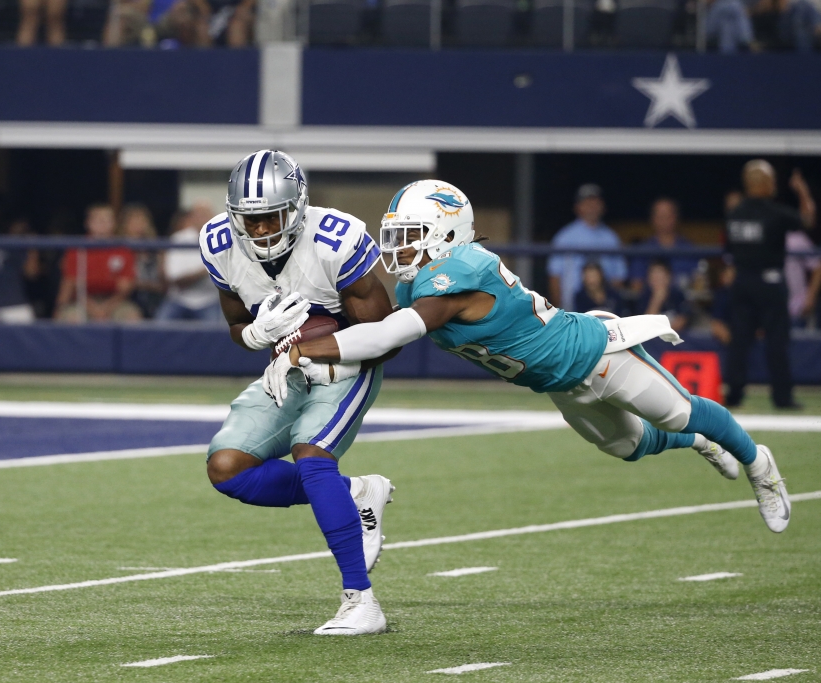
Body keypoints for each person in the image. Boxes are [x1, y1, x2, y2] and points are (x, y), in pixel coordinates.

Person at [267, 179, 791, 538]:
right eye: (396, 238)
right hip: (559, 385)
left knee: (681, 410)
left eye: (409, 238)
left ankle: (758, 464)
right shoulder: (416, 287)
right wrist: (319, 359)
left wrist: (305, 348)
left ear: (446, 234)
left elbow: (389, 334)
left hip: (596, 356)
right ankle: (698, 444)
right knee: (630, 446)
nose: (398, 250)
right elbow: (387, 338)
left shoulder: (461, 270)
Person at [201, 150, 398, 636]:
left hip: (347, 365)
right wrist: (254, 336)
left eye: (271, 218)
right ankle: (354, 493)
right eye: (251, 220)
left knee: (311, 457)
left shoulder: (334, 241)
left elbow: (386, 339)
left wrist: (321, 353)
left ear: (297, 207)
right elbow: (235, 323)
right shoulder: (220, 244)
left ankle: (361, 601)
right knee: (227, 470)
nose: (262, 231)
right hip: (285, 370)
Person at [724, 161, 816, 409]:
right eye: (772, 180)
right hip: (770, 282)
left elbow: (729, 250)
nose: (774, 185)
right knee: (776, 341)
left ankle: (733, 395)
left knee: (740, 342)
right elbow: (807, 219)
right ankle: (782, 398)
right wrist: (802, 190)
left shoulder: (735, 213)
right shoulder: (775, 212)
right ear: (764, 184)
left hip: (742, 281)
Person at [55, 204, 142, 323]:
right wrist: (93, 310)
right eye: (98, 220)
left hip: (114, 302)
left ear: (114, 223)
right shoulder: (77, 249)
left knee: (132, 317)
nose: (102, 224)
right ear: (88, 223)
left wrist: (105, 309)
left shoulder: (123, 250)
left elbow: (125, 288)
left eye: (107, 220)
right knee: (71, 318)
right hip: (82, 302)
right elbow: (71, 284)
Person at [547, 184, 627, 312]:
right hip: (572, 310)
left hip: (605, 309)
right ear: (577, 207)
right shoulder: (564, 237)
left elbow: (618, 278)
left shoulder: (611, 238)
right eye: (587, 202)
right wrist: (559, 312)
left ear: (603, 206)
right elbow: (554, 278)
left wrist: (611, 305)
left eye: (595, 202)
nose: (592, 207)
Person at [156, 203, 222, 322]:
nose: (203, 219)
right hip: (178, 299)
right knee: (158, 329)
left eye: (206, 215)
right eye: (199, 215)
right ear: (191, 218)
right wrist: (207, 268)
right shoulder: (179, 239)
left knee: (215, 335)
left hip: (209, 300)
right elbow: (176, 279)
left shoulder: (224, 240)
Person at [629, 198, 700, 294]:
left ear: (676, 217)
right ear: (652, 219)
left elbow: (698, 283)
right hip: (651, 304)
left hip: (684, 305)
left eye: (668, 216)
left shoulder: (690, 249)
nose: (664, 220)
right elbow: (636, 285)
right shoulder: (642, 251)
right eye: (660, 216)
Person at [121, 203, 166, 319]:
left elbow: (164, 283)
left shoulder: (157, 249)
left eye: (142, 221)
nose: (138, 226)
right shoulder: (119, 249)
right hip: (129, 298)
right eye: (133, 222)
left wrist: (142, 284)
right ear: (125, 225)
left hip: (155, 297)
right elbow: (122, 283)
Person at [636, 260, 693, 333]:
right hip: (651, 340)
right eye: (653, 277)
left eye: (660, 277)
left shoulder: (677, 295)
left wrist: (661, 332)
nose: (656, 280)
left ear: (669, 277)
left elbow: (681, 321)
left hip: (676, 338)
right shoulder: (644, 297)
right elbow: (645, 326)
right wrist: (656, 301)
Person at [785, 230, 821, 327]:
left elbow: (817, 266)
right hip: (766, 309)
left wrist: (810, 297)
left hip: (796, 308)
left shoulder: (797, 239)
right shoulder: (761, 237)